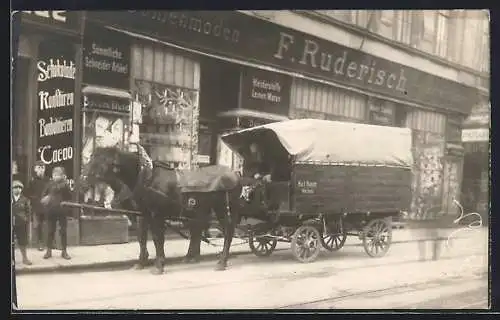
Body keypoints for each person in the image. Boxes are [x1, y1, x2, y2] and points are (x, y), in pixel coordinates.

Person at [40, 166, 72, 260]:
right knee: (50, 231)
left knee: (63, 231)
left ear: (62, 176)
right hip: (51, 211)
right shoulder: (49, 184)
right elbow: (43, 195)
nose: (55, 176)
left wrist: (65, 203)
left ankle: (64, 251)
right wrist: (45, 200)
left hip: (62, 211)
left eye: (58, 175)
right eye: (54, 174)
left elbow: (69, 197)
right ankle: (48, 251)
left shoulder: (65, 185)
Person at [26, 161, 50, 251]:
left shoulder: (48, 180)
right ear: (35, 169)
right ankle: (40, 243)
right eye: (39, 168)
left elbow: (51, 192)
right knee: (38, 225)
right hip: (37, 207)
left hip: (46, 206)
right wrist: (34, 199)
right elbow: (27, 193)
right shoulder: (32, 181)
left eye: (43, 168)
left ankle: (50, 242)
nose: (41, 170)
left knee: (49, 224)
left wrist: (48, 197)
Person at [12, 179, 33, 265]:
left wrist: (27, 221)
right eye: (15, 187)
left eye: (20, 188)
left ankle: (25, 258)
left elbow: (28, 212)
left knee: (22, 242)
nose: (18, 189)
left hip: (21, 223)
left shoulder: (25, 200)